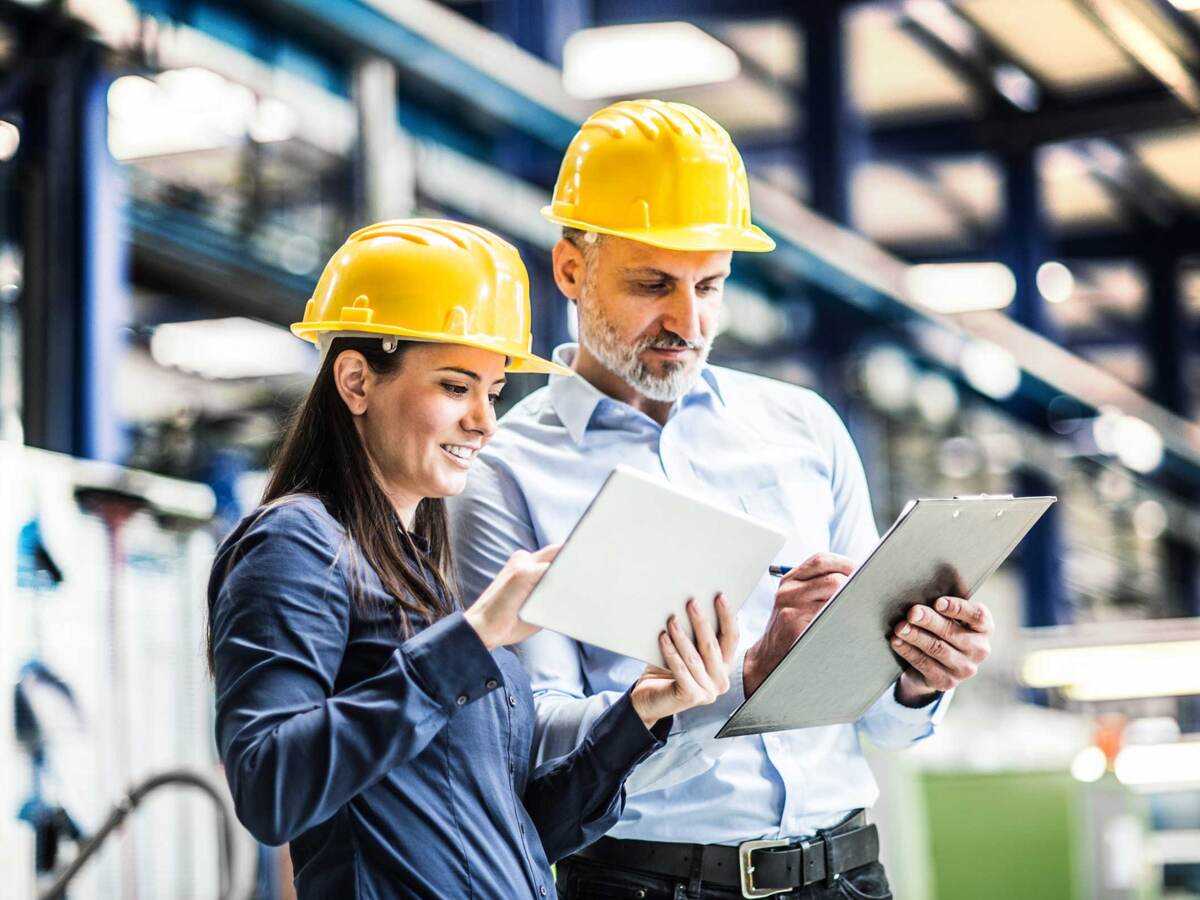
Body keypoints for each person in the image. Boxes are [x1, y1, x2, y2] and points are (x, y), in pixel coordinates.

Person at [448, 101, 995, 899]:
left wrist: (919, 670)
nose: (688, 320)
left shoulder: (804, 429)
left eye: (711, 284)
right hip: (650, 882)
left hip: (844, 873)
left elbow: (883, 721)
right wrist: (745, 676)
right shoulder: (504, 472)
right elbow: (542, 755)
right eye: (652, 284)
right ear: (570, 269)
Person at [206, 219, 738, 900]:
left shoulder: (422, 578)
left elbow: (514, 834)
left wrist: (639, 716)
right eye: (456, 387)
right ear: (356, 382)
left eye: (493, 392)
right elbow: (269, 788)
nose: (485, 422)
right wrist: (478, 635)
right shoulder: (295, 545)